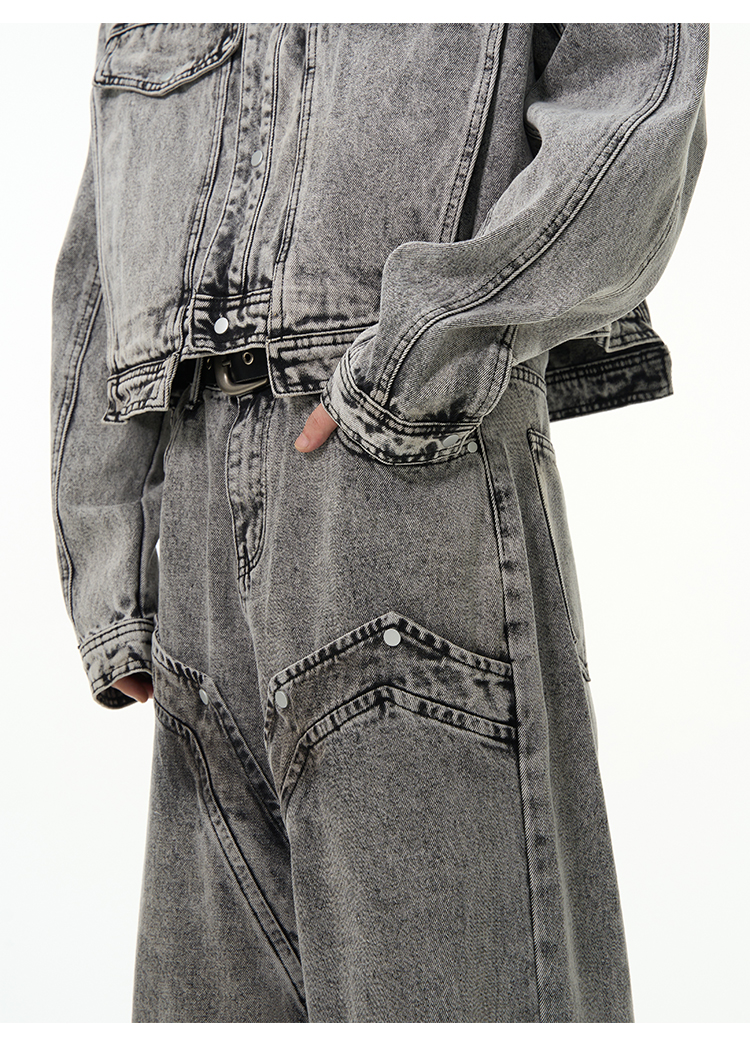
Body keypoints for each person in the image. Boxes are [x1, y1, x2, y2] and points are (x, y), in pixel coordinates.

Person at [51, 23, 708, 1022]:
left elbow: (636, 99)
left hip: (405, 478)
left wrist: (416, 355)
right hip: (193, 522)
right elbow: (104, 248)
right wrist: (113, 568)